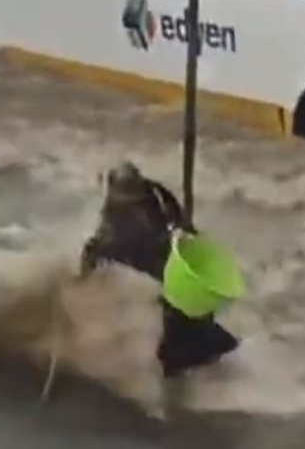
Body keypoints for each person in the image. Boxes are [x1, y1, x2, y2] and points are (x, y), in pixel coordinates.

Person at [80, 162, 240, 378]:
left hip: (168, 268)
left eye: (133, 198)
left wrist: (185, 233)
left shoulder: (156, 199)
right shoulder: (113, 217)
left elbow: (179, 224)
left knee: (188, 316)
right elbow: (100, 249)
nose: (130, 205)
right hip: (145, 273)